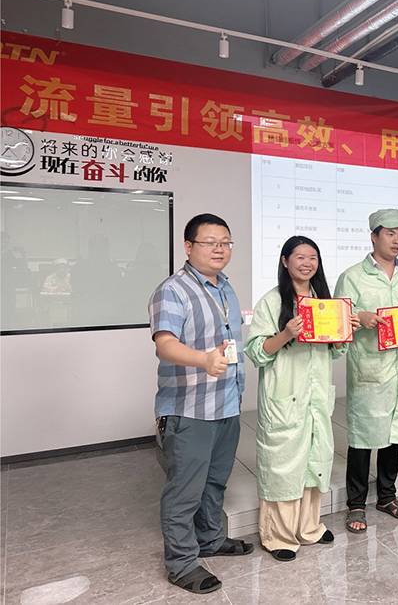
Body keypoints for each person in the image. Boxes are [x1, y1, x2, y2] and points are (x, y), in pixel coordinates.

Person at [148, 214, 249, 595]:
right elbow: (165, 344)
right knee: (184, 490)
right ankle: (181, 564)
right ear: (188, 247)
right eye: (210, 242)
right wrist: (204, 359)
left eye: (225, 242)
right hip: (190, 408)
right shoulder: (172, 290)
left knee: (215, 481)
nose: (219, 249)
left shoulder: (226, 288)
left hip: (226, 403)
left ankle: (210, 539)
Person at [244, 236, 360, 562]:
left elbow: (334, 351)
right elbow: (256, 352)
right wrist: (286, 334)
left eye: (313, 258)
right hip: (284, 397)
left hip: (316, 397)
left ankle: (309, 527)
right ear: (285, 261)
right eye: (299, 257)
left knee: (314, 461)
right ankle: (278, 535)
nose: (307, 263)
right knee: (283, 467)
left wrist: (346, 330)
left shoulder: (325, 302)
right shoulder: (272, 301)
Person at [334, 209, 398, 533]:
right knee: (362, 440)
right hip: (369, 370)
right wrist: (360, 317)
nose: (396, 240)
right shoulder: (352, 276)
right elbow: (337, 321)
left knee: (393, 436)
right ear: (374, 236)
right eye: (389, 233)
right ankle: (356, 505)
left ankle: (387, 497)